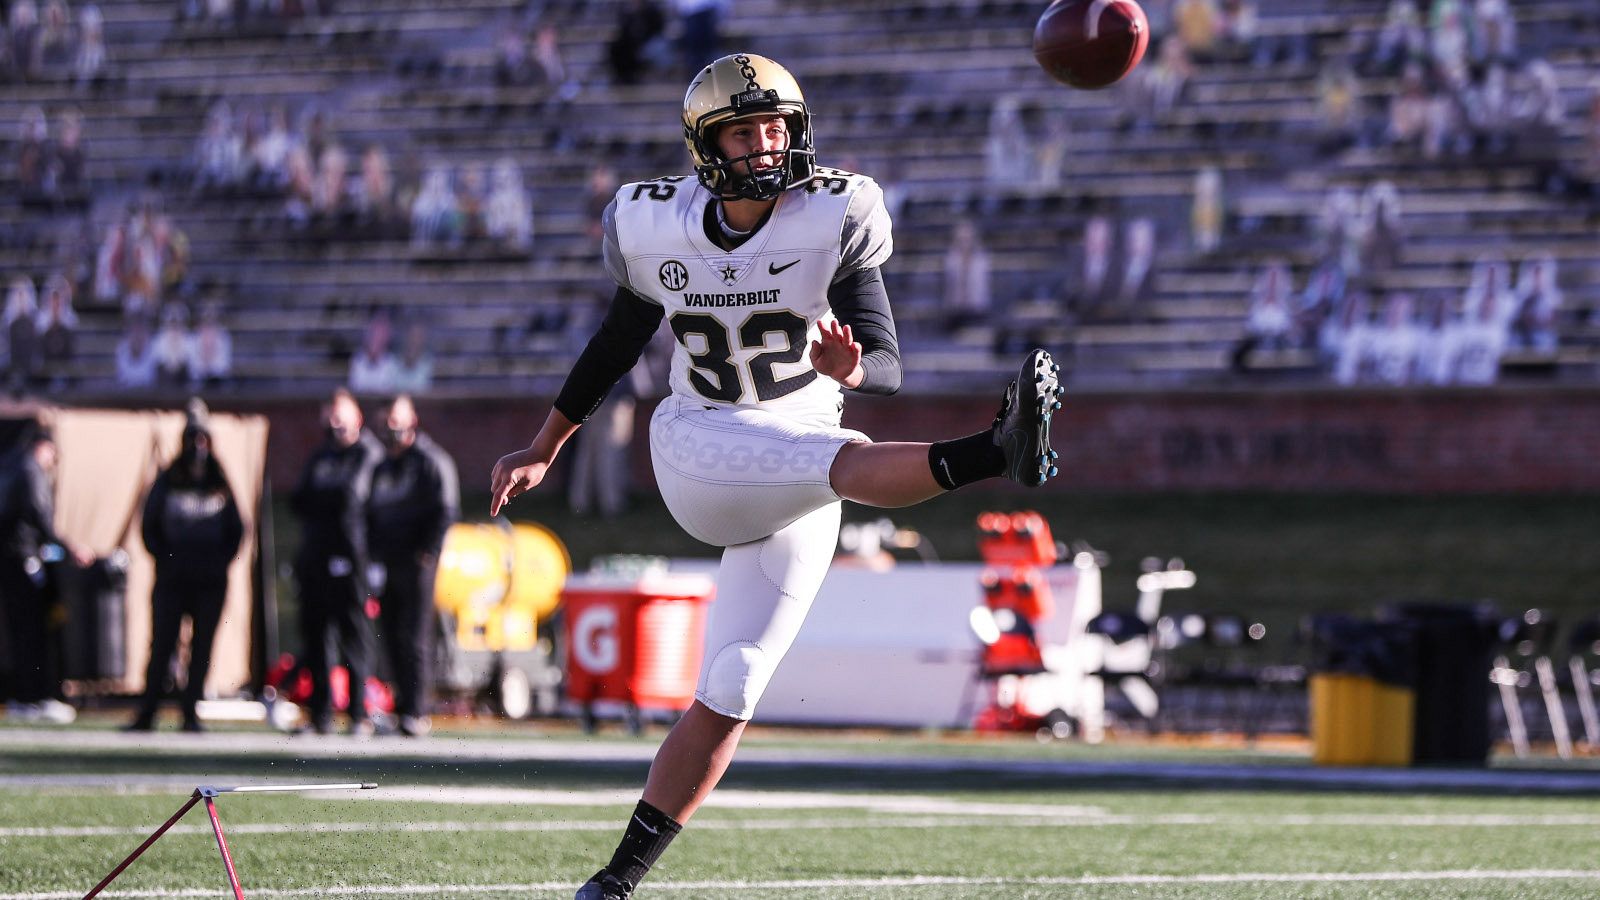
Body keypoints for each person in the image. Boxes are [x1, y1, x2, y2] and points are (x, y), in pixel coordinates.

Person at [486, 54, 1063, 900]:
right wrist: (546, 445)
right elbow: (613, 348)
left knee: (735, 682)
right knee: (841, 462)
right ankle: (993, 452)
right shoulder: (657, 226)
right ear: (705, 145)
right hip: (700, 445)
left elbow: (887, 362)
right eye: (744, 131)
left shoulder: (833, 214)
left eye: (775, 127)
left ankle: (614, 882)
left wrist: (852, 368)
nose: (764, 145)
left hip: (799, 463)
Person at [126, 400, 244, 732]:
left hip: (209, 582)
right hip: (173, 579)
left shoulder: (219, 480)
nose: (198, 446)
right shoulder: (169, 478)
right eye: (193, 438)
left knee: (201, 648)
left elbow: (237, 530)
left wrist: (217, 563)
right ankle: (148, 712)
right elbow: (149, 526)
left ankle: (190, 713)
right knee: (162, 644)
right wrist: (167, 560)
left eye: (203, 439)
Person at [291, 388, 382, 736]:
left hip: (353, 559)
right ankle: (321, 715)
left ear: (357, 418)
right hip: (317, 557)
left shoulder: (368, 454)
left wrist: (327, 498)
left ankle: (359, 713)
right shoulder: (321, 455)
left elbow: (352, 497)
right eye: (330, 416)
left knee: (354, 636)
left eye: (341, 416)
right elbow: (300, 499)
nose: (335, 424)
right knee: (318, 637)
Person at [365, 395, 458, 737]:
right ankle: (401, 705)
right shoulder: (383, 465)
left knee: (415, 635)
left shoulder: (430, 461)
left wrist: (428, 552)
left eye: (396, 420)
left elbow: (446, 510)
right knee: (390, 634)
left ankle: (417, 710)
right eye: (385, 421)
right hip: (387, 560)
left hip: (417, 562)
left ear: (412, 420)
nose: (390, 428)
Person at [0, 425, 93, 724]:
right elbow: (41, 518)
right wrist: (70, 547)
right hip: (23, 558)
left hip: (12, 559)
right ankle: (33, 697)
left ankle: (24, 696)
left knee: (20, 631)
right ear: (44, 446)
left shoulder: (11, 466)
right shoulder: (29, 470)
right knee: (33, 631)